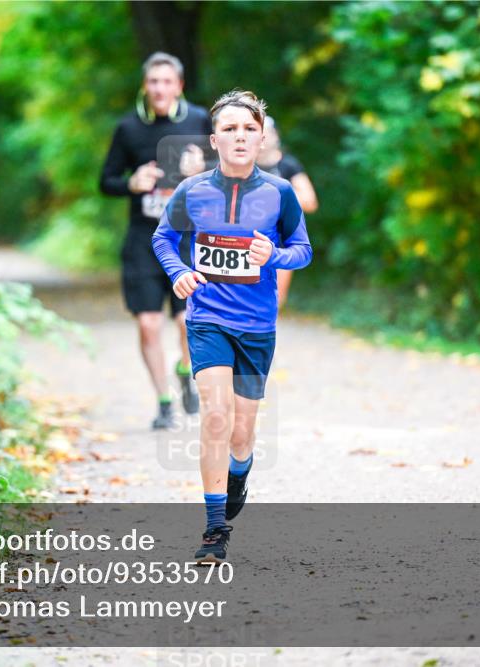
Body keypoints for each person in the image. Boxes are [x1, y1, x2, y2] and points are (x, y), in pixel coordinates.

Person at [152, 90, 312, 563]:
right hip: (207, 319)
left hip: (257, 326)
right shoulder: (192, 191)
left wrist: (275, 256)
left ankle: (239, 470)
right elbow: (163, 238)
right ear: (214, 139)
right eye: (229, 129)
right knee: (215, 416)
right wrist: (179, 272)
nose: (240, 137)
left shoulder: (279, 194)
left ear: (261, 137)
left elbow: (303, 249)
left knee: (242, 432)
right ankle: (214, 529)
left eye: (248, 129)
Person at [100, 52, 212, 430]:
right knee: (148, 324)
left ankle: (185, 368)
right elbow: (106, 181)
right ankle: (164, 401)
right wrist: (130, 184)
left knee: (186, 322)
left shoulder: (200, 120)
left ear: (179, 85)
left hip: (186, 238)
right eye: (153, 82)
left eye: (167, 82)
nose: (160, 89)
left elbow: (231, 171)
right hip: (143, 238)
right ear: (145, 87)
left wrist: (204, 169)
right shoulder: (128, 128)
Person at [256, 116, 318, 309]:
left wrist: (276, 198)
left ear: (276, 136)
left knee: (274, 302)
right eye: (259, 133)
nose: (264, 139)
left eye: (268, 133)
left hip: (281, 244)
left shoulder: (289, 165)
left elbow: (310, 202)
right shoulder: (243, 166)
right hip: (248, 240)